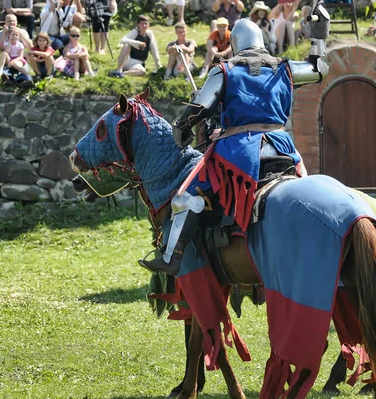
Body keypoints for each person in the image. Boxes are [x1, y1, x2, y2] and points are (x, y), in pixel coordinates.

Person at [139, 12, 330, 275]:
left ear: (236, 43)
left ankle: (172, 257)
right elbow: (319, 69)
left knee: (185, 196)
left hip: (240, 150)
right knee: (306, 186)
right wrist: (320, 31)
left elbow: (197, 110)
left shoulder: (224, 70)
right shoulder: (285, 68)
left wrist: (181, 129)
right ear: (261, 41)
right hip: (284, 147)